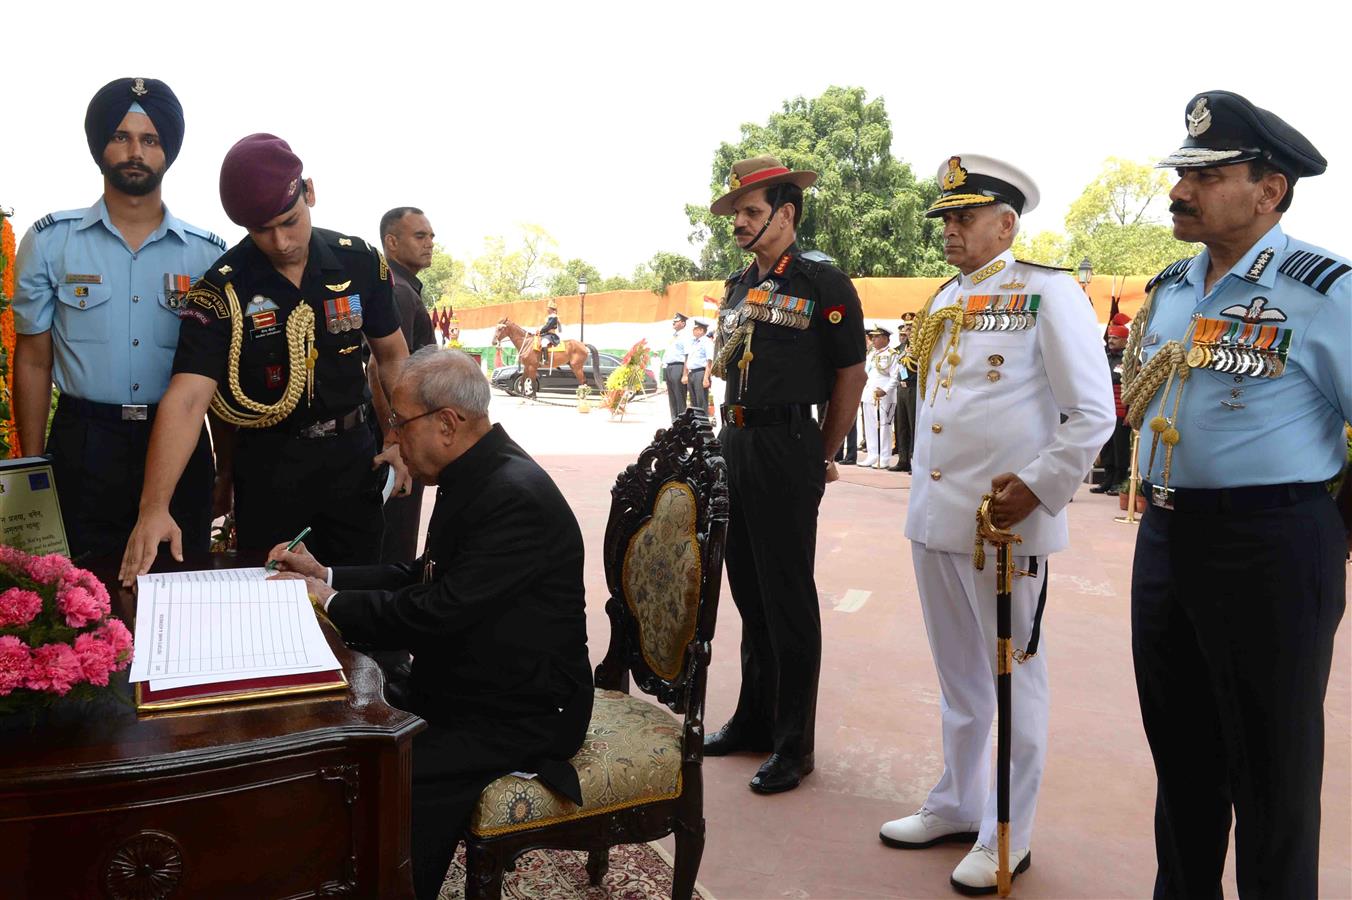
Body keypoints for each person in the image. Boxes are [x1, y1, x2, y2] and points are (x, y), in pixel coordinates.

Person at [1124, 90, 1350, 899]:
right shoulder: (1172, 288)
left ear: (1270, 189)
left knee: (1274, 778)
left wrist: (1328, 536)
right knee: (1181, 766)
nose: (1179, 191)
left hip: (1274, 544)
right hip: (1168, 541)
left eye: (1207, 176)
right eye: (1181, 174)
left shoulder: (1325, 291)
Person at [267, 348, 592, 899]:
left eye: (398, 422)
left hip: (521, 710)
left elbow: (437, 611)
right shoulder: (476, 470)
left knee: (377, 779)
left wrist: (328, 602)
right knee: (340, 729)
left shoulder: (514, 496)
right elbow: (423, 576)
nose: (391, 440)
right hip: (470, 683)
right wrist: (327, 573)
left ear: (447, 422)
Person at [879, 154, 1113, 893]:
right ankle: (956, 801)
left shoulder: (1048, 292)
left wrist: (1040, 489)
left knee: (1015, 682)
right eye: (945, 218)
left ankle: (1007, 833)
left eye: (963, 217)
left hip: (1003, 529)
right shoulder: (950, 293)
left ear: (1006, 224)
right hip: (938, 518)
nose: (949, 230)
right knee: (959, 679)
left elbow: (1093, 413)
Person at [118, 133, 410, 584]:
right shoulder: (221, 291)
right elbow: (188, 399)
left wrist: (401, 435)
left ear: (309, 192)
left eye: (290, 221)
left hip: (353, 460)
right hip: (272, 469)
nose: (280, 241)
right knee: (270, 601)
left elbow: (391, 357)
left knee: (357, 590)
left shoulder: (360, 264)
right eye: (261, 230)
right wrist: (153, 508)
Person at [703, 155, 867, 793]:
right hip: (736, 439)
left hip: (787, 440)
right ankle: (754, 719)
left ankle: (794, 744)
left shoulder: (824, 282)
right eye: (737, 213)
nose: (739, 223)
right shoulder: (740, 283)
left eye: (751, 212)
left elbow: (849, 372)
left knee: (788, 598)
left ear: (786, 213)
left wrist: (823, 451)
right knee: (747, 590)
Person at [12, 77, 225, 559]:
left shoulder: (207, 256)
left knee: (179, 585)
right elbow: (33, 361)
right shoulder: (51, 242)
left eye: (150, 140)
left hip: (178, 445)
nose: (135, 151)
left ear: (167, 151)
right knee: (81, 597)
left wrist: (226, 468)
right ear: (99, 147)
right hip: (84, 444)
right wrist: (31, 466)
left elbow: (216, 377)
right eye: (120, 137)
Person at [373, 207, 440, 564]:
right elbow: (376, 367)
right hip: (400, 441)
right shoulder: (397, 292)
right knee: (394, 549)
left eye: (431, 237)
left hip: (404, 433)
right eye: (420, 236)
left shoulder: (398, 288)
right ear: (391, 242)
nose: (430, 243)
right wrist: (395, 437)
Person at [1090, 318, 1131, 494]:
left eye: (1115, 337)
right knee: (1106, 445)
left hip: (1121, 409)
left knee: (1119, 446)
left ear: (1125, 340)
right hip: (1104, 408)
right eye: (1111, 337)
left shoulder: (1130, 360)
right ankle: (1108, 479)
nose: (1111, 340)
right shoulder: (1103, 357)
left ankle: (1119, 481)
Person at [860, 326, 901, 469]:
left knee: (884, 426)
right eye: (873, 337)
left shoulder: (892, 354)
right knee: (870, 426)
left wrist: (885, 390)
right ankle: (872, 454)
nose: (873, 339)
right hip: (869, 394)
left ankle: (884, 456)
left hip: (884, 396)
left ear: (885, 338)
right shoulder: (871, 354)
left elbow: (895, 377)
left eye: (877, 337)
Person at [888, 315, 917, 472]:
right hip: (902, 388)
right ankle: (903, 459)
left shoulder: (920, 346)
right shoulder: (901, 347)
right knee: (902, 425)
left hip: (914, 387)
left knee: (913, 425)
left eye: (911, 328)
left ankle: (914, 459)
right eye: (906, 328)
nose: (908, 331)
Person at [663, 311, 690, 421]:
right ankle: (674, 421)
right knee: (672, 398)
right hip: (669, 367)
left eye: (676, 321)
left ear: (683, 323)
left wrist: (685, 374)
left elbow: (687, 355)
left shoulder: (685, 336)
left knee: (679, 397)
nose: (673, 323)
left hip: (678, 367)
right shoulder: (673, 336)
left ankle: (682, 423)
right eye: (673, 321)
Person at [684, 319, 714, 415]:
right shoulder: (693, 342)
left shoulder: (706, 342)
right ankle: (696, 423)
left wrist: (706, 378)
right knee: (693, 401)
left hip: (701, 373)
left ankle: (703, 423)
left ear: (701, 330)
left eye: (695, 329)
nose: (693, 331)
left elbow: (709, 361)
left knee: (701, 401)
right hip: (692, 373)